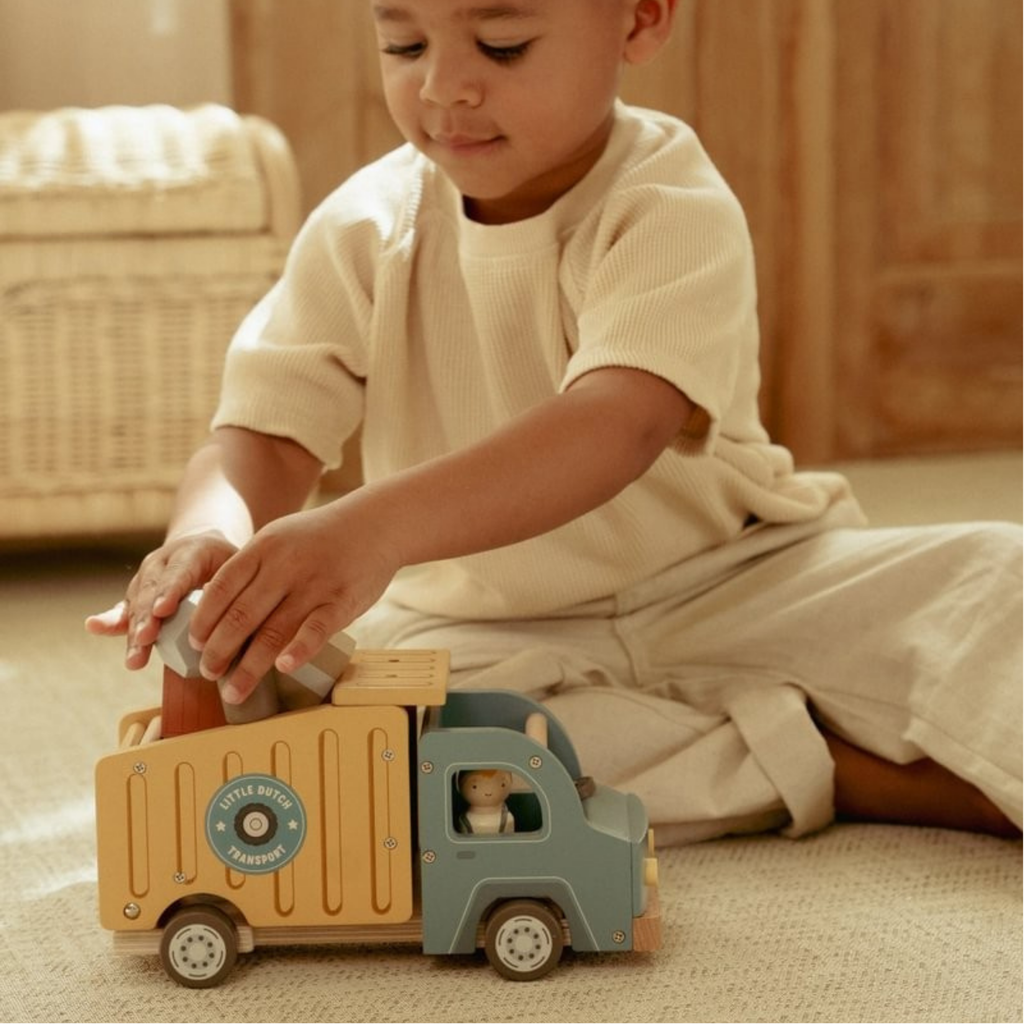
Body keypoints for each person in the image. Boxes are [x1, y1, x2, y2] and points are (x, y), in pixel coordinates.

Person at [87, 0, 1021, 844]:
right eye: (404, 44)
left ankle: (751, 735)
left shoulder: (670, 204)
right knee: (361, 752)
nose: (443, 87)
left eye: (503, 44)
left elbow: (616, 424)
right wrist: (209, 536)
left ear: (640, 19)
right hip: (479, 624)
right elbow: (262, 432)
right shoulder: (362, 228)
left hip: (733, 579)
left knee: (997, 576)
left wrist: (370, 530)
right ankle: (835, 768)